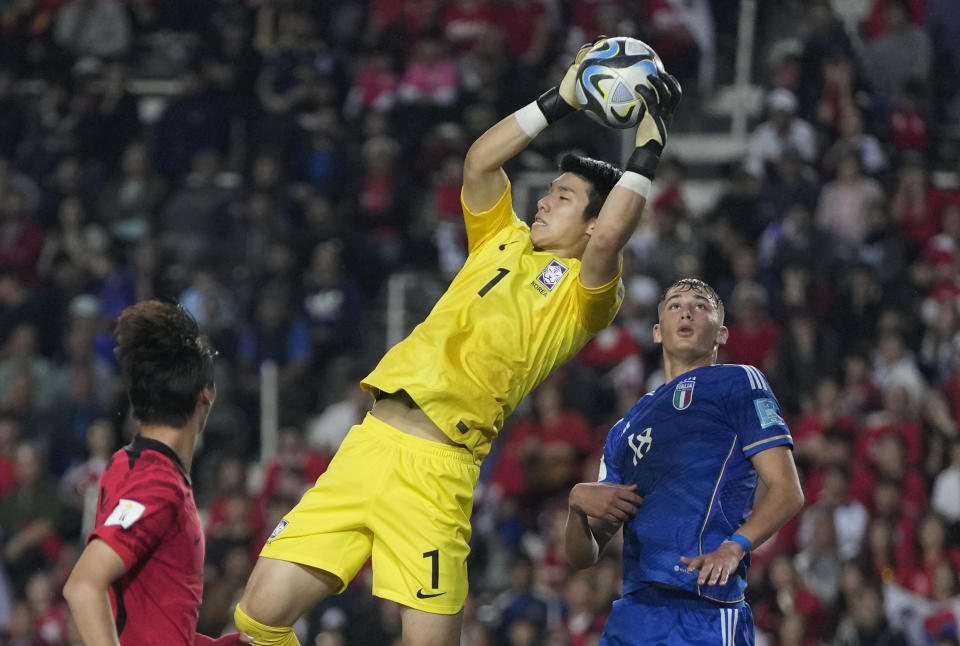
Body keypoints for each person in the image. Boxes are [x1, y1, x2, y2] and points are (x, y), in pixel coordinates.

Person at [234, 40, 682, 646]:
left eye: (565, 197)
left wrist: (648, 148)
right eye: (549, 189)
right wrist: (561, 99)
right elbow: (478, 161)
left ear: (595, 224)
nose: (545, 199)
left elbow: (610, 243)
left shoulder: (585, 293)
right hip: (367, 445)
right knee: (257, 619)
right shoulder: (501, 238)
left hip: (436, 471)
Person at [564, 278, 805, 645]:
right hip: (633, 615)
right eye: (675, 305)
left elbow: (788, 491)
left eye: (701, 305)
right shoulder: (624, 430)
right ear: (658, 332)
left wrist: (735, 545)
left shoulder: (739, 381)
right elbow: (583, 556)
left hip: (705, 610)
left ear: (721, 334)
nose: (687, 311)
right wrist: (576, 506)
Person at [61, 300, 249, 646]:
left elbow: (143, 619)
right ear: (206, 396)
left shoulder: (126, 464)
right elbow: (83, 586)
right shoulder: (158, 486)